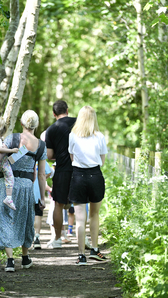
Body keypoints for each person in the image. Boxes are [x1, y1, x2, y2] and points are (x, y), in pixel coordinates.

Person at [0, 110, 47, 272]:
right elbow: (42, 174)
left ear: (22, 123)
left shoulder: (12, 139)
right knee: (25, 219)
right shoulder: (41, 146)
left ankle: (10, 261)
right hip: (26, 186)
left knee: (4, 218)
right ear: (36, 126)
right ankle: (24, 258)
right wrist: (42, 198)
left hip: (7, 184)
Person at [46, 100, 91, 248]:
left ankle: (58, 239)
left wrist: (60, 154)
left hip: (62, 170)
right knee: (80, 204)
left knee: (58, 204)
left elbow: (50, 154)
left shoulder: (51, 130)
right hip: (80, 168)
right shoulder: (79, 123)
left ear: (54, 114)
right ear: (67, 109)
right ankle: (83, 239)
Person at [68, 105, 108, 265]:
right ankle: (95, 249)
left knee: (79, 219)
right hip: (95, 176)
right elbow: (103, 161)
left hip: (78, 176)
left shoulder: (72, 136)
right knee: (94, 215)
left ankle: (81, 255)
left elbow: (72, 158)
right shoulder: (100, 137)